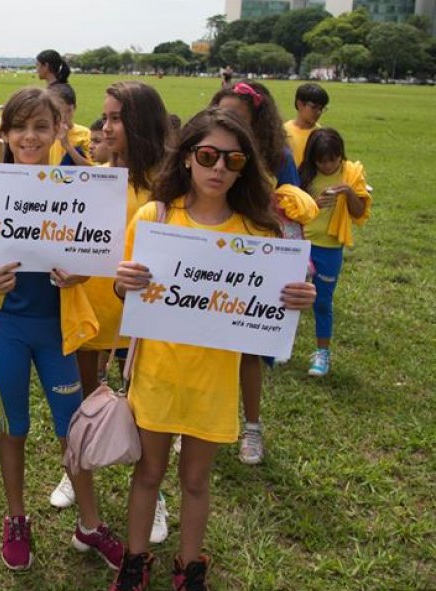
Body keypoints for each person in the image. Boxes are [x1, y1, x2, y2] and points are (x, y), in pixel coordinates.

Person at [109, 107, 316, 591]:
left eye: (233, 159)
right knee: (149, 473)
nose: (219, 168)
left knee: (197, 480)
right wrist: (124, 284)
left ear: (245, 166)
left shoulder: (259, 233)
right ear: (186, 159)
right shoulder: (155, 217)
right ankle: (135, 560)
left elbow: (272, 305)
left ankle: (190, 567)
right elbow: (128, 292)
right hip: (158, 373)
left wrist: (297, 298)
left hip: (215, 380)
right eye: (207, 156)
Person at [0, 88, 122, 572]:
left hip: (58, 328)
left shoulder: (78, 185)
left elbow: (96, 251)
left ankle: (90, 523)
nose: (30, 136)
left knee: (73, 429)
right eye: (19, 126)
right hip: (12, 328)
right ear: (5, 132)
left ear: (60, 128)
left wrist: (82, 271)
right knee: (13, 426)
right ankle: (16, 518)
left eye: (41, 126)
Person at [50, 82, 172, 548]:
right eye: (104, 117)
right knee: (83, 406)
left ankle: (153, 493)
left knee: (145, 418)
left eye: (115, 117)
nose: (104, 126)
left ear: (140, 123)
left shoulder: (166, 187)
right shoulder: (95, 178)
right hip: (89, 313)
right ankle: (78, 476)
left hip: (143, 323)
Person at [211, 80, 304, 465]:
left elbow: (295, 215)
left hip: (255, 264)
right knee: (207, 345)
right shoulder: (205, 152)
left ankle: (251, 427)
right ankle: (197, 424)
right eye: (221, 113)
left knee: (248, 350)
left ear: (257, 120)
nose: (227, 122)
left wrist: (293, 269)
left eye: (236, 116)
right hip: (209, 259)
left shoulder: (277, 158)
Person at [298, 128, 371, 377]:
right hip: (301, 245)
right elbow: (291, 210)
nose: (328, 165)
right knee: (287, 297)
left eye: (333, 159)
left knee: (322, 302)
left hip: (329, 248)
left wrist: (348, 192)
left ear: (341, 155)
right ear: (313, 158)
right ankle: (279, 345)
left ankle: (322, 354)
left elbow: (359, 212)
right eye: (322, 160)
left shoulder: (351, 175)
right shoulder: (304, 175)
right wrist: (313, 204)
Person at [285, 83, 330, 167]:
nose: (318, 112)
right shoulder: (283, 132)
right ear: (300, 104)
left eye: (321, 108)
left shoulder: (321, 135)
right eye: (314, 107)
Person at [47, 84, 92, 166]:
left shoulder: (85, 134)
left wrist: (67, 145)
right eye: (57, 112)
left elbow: (91, 170)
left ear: (74, 108)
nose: (63, 117)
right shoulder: (45, 133)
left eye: (67, 111)